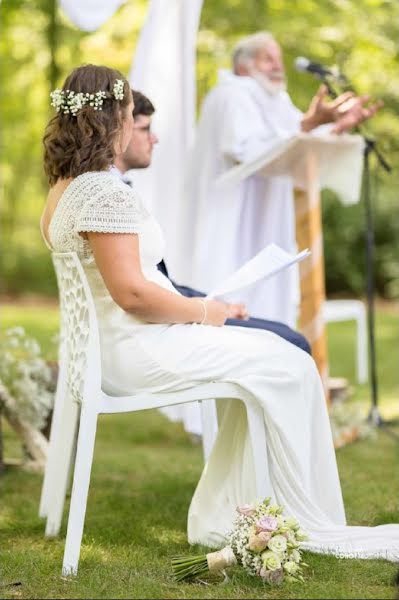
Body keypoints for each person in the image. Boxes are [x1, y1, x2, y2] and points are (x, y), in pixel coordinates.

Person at [40, 65, 398, 563]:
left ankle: (230, 513)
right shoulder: (99, 191)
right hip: (137, 348)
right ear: (109, 121)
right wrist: (208, 310)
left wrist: (204, 312)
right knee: (289, 364)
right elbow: (133, 295)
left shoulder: (66, 188)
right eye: (126, 115)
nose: (130, 125)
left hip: (119, 346)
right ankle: (296, 517)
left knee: (272, 357)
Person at [112, 89, 311, 438]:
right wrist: (204, 312)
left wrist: (215, 305)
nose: (153, 138)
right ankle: (268, 476)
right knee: (291, 344)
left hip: (164, 317)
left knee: (284, 335)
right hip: (152, 334)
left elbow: (155, 280)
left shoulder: (111, 192)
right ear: (118, 131)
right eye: (143, 128)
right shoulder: (107, 199)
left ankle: (256, 473)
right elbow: (135, 294)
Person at [176, 31, 381, 327]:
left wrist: (337, 127)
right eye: (267, 58)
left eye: (278, 59)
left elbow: (295, 139)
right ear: (244, 65)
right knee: (230, 285)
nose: (278, 66)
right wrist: (311, 123)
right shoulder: (230, 95)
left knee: (269, 302)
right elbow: (244, 149)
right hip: (231, 215)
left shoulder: (275, 99)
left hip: (267, 215)